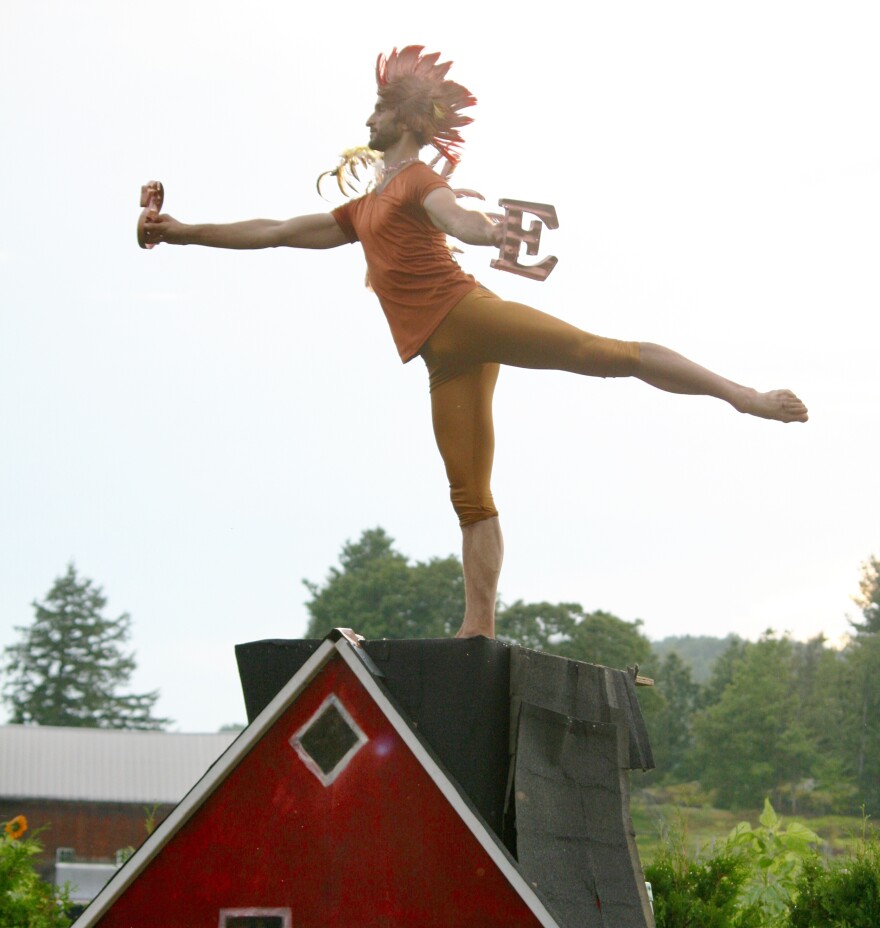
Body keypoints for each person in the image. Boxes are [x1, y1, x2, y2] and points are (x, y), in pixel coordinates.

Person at [141, 45, 808, 640]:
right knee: (469, 496)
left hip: (468, 315)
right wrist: (180, 230)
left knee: (607, 355)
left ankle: (743, 396)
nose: (367, 119)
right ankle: (478, 628)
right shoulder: (364, 206)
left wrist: (490, 232)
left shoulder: (417, 181)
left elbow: (456, 216)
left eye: (378, 108)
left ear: (403, 120)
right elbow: (279, 230)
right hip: (443, 357)